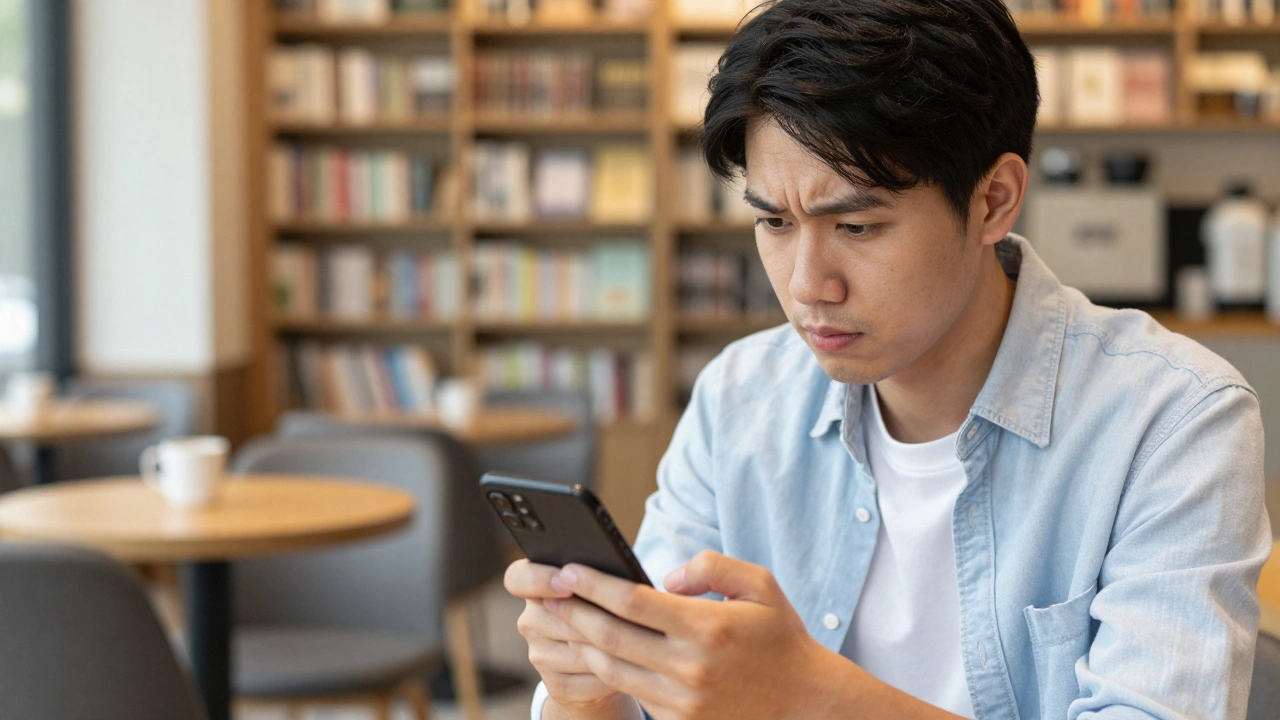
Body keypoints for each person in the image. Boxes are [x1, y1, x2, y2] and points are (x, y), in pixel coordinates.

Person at [504, 0, 1273, 717]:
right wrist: (590, 690)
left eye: (857, 227)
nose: (807, 285)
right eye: (774, 223)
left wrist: (806, 695)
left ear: (994, 200)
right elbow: (654, 691)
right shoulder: (739, 398)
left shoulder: (1175, 423)